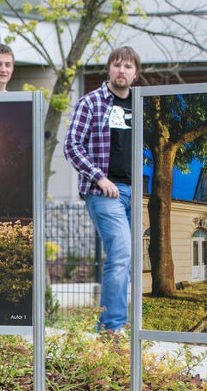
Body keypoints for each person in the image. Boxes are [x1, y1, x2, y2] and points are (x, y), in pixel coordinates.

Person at [63, 46, 140, 332]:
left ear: (135, 73)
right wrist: (99, 177)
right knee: (120, 254)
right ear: (109, 69)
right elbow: (71, 145)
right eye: (117, 65)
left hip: (136, 191)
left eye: (128, 66)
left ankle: (124, 323)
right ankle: (111, 327)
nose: (122, 70)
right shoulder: (91, 102)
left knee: (132, 258)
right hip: (105, 192)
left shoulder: (141, 104)